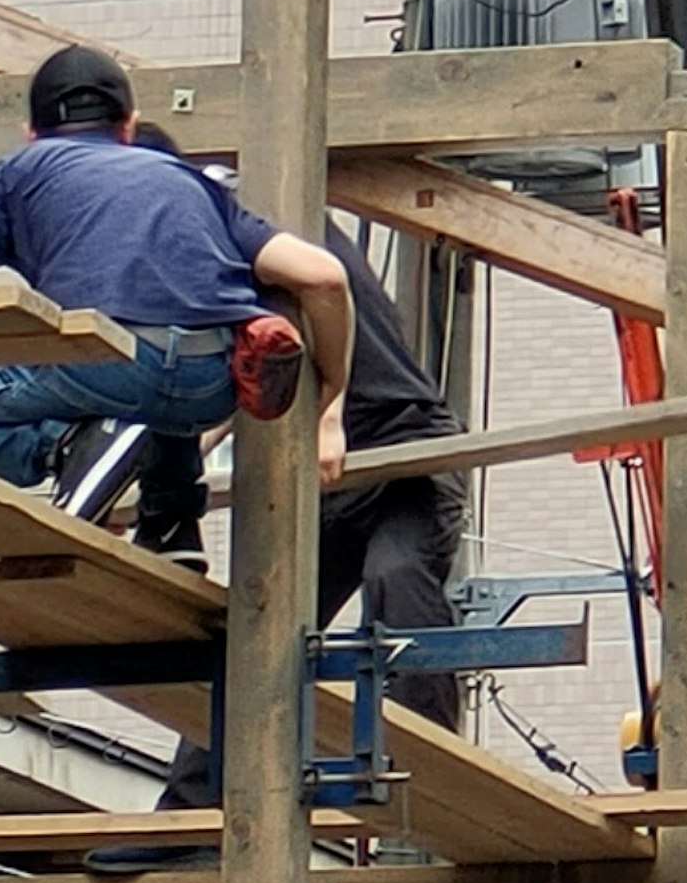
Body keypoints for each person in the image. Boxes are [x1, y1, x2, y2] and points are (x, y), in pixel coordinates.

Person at [0, 42, 353, 500]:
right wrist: (331, 396)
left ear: (31, 132)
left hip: (100, 367)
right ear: (128, 127)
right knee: (155, 373)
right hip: (208, 386)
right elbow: (322, 276)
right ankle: (170, 524)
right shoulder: (189, 180)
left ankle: (63, 450)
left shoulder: (13, 173)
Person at [124, 206, 463, 790]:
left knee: (399, 574)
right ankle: (187, 807)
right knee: (261, 619)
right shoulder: (211, 255)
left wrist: (330, 411)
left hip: (402, 446)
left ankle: (427, 768)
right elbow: (232, 388)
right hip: (323, 480)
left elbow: (322, 290)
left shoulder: (273, 213)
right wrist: (142, 483)